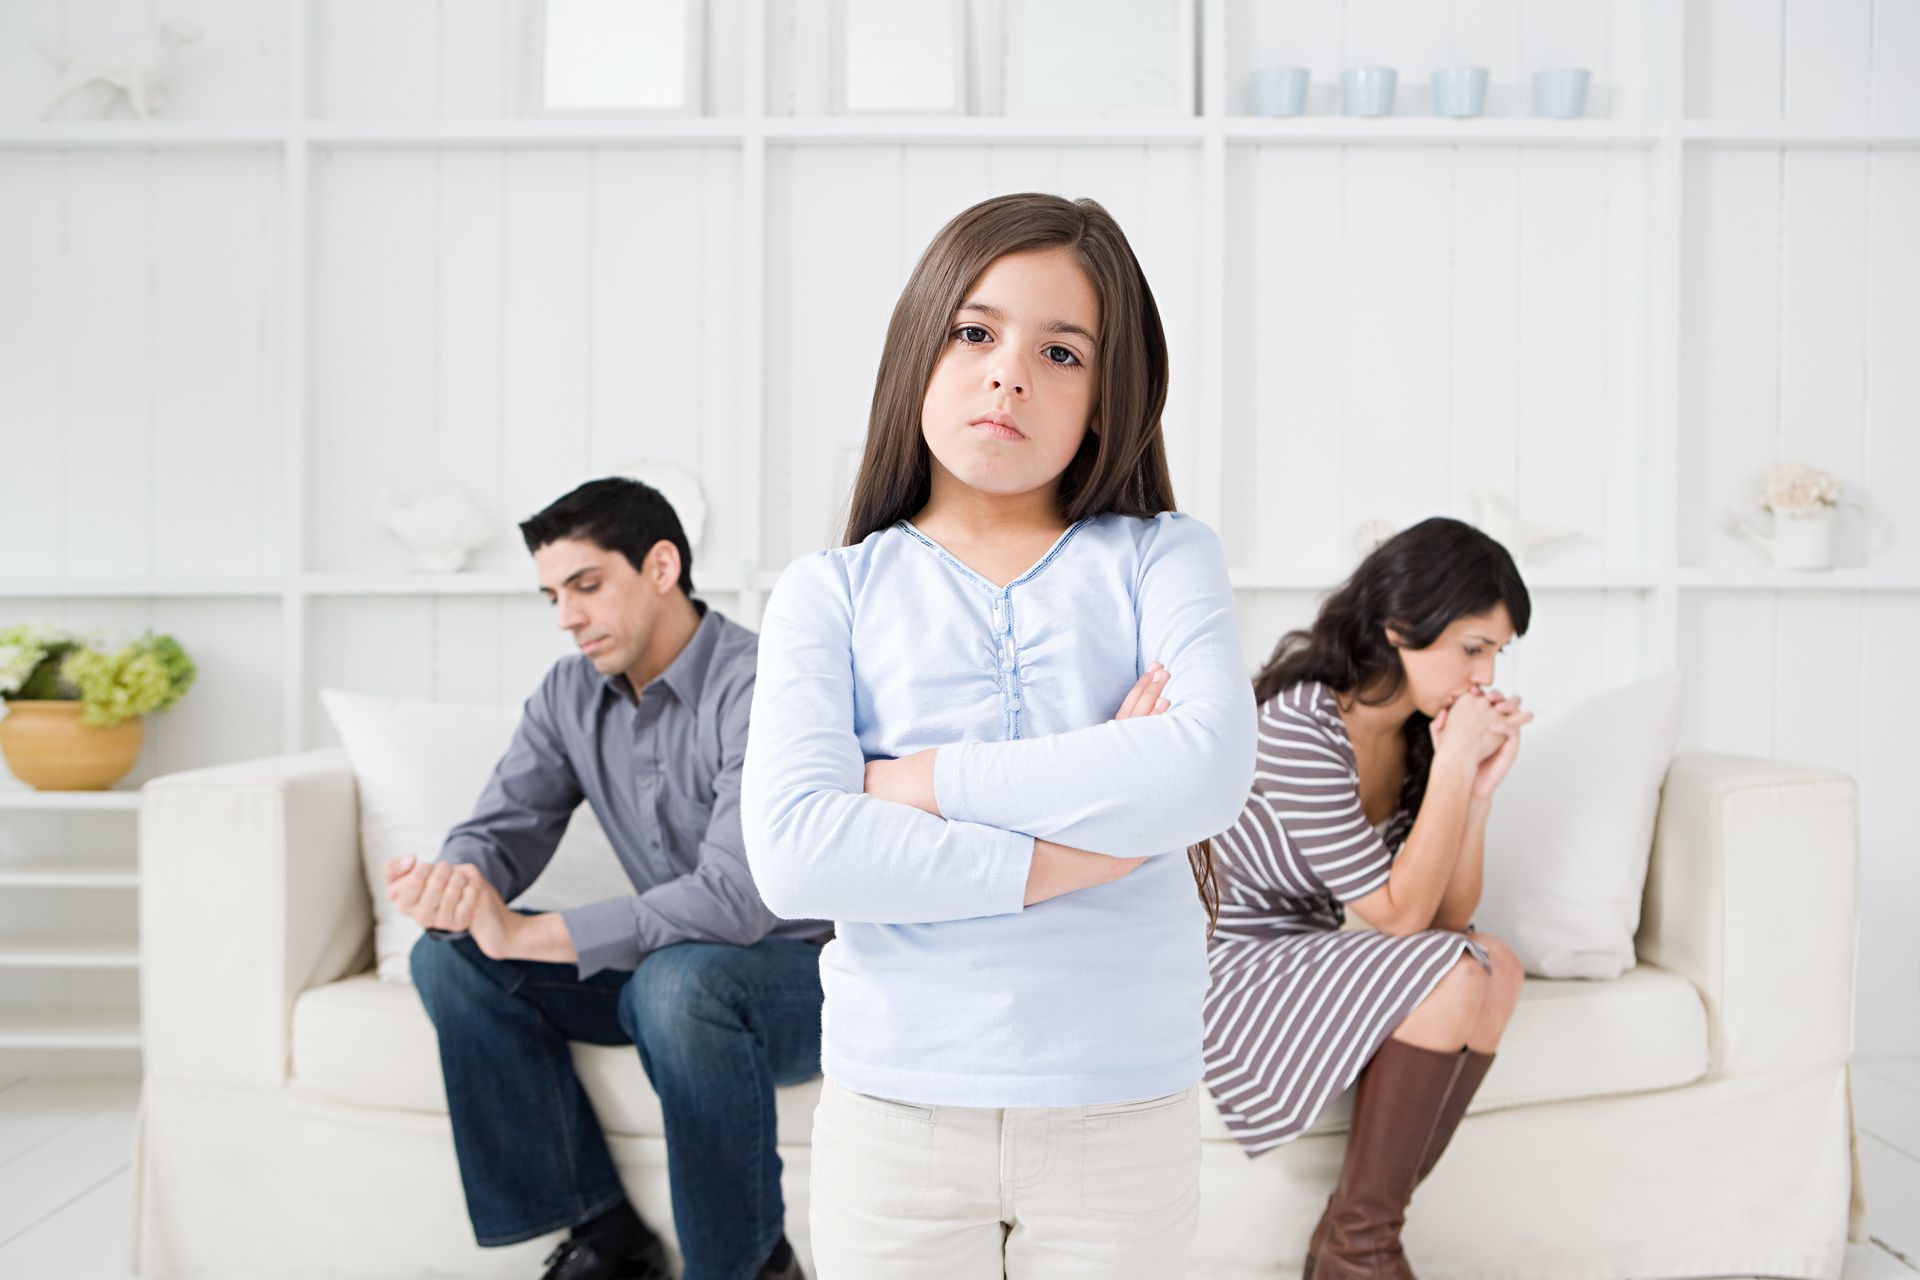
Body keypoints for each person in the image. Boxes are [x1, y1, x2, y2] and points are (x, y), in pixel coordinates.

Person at [741, 192, 1257, 1278]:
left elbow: (1204, 771)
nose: (1009, 373)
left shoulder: (1164, 556)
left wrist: (917, 780)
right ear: (917, 352)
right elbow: (797, 853)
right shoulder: (825, 593)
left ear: (1108, 402)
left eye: (1062, 351)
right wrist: (1091, 849)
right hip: (897, 1108)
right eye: (975, 332)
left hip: (1122, 1102)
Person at [387, 477, 829, 1280]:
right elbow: (505, 826)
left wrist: (528, 931)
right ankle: (607, 1238)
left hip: (799, 977)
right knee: (448, 953)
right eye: (553, 594)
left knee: (677, 984)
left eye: (587, 586)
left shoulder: (763, 684)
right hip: (665, 970)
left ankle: (749, 1266)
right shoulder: (568, 694)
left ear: (661, 567)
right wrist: (457, 883)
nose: (567, 617)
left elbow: (737, 898)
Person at [1201, 516, 1534, 1279]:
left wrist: (1474, 792)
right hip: (1226, 958)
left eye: (1497, 654)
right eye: (1472, 648)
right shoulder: (1301, 724)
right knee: (1456, 969)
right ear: (1398, 629)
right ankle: (1363, 1252)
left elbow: (1448, 923)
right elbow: (1401, 918)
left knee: (1498, 965)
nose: (1485, 677)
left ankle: (1353, 1242)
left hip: (1302, 945)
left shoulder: (1415, 733)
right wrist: (1455, 765)